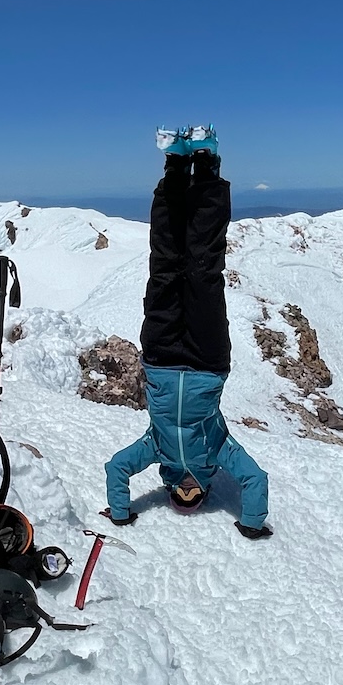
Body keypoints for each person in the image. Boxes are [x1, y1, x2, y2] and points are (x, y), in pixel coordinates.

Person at [104, 129, 272, 539]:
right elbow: (255, 479)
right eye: (192, 496)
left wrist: (121, 512)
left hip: (160, 357)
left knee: (164, 266)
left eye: (178, 494)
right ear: (205, 489)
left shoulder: (156, 449)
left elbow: (116, 468)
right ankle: (207, 165)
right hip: (206, 361)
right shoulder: (218, 452)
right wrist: (251, 524)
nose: (186, 490)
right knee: (202, 269)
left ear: (168, 486)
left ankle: (176, 167)